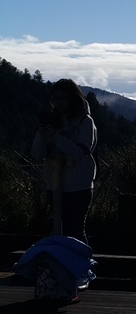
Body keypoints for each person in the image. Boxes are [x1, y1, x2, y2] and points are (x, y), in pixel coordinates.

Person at [32, 79, 98, 246]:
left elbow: (80, 153)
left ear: (72, 99)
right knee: (56, 228)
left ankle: (80, 267)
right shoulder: (51, 121)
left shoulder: (85, 122)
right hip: (54, 183)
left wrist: (56, 137)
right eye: (54, 99)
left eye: (62, 99)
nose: (57, 104)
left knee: (74, 230)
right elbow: (37, 154)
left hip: (78, 185)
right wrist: (42, 136)